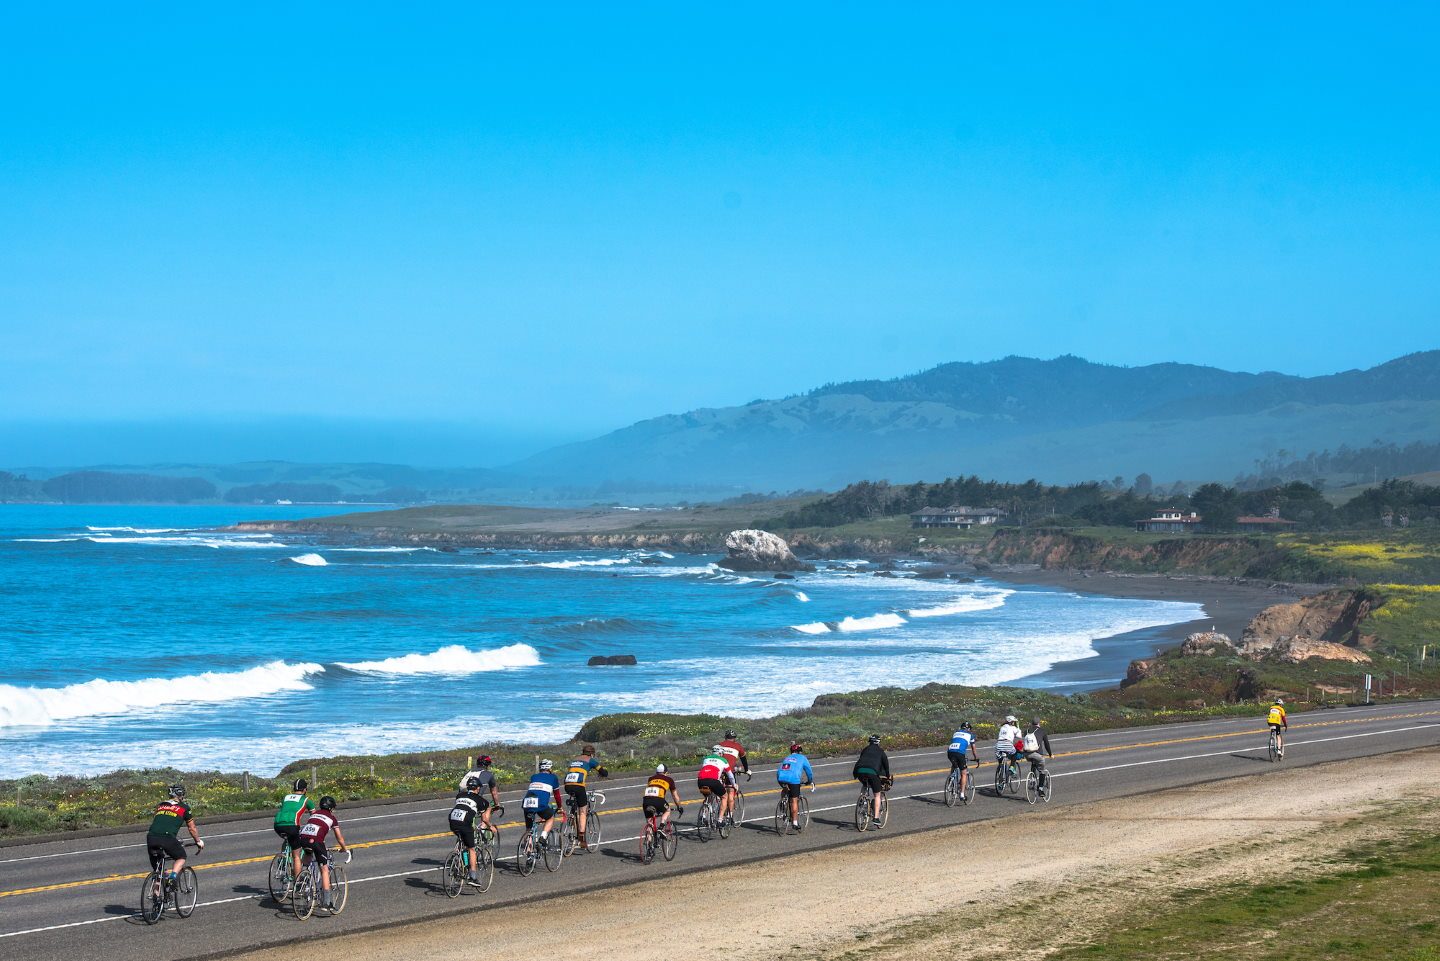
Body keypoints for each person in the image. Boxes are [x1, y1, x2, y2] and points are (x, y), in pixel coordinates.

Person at [297, 795, 348, 911]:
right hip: (316, 842)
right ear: (331, 808)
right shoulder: (332, 818)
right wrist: (344, 848)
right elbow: (339, 838)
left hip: (303, 839)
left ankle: (304, 878)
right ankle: (326, 902)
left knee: (308, 855)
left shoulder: (314, 814)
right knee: (324, 870)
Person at [146, 784, 204, 881]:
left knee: (158, 872)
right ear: (181, 795)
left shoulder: (161, 805)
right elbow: (192, 828)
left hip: (151, 837)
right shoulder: (184, 808)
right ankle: (172, 878)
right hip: (167, 837)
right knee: (181, 856)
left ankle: (155, 894)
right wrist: (198, 841)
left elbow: (159, 820)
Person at [564, 745, 609, 850]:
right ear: (592, 754)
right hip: (579, 786)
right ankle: (582, 839)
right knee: (583, 811)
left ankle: (572, 821)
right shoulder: (591, 760)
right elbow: (603, 771)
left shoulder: (575, 760)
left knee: (575, 809)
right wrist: (603, 774)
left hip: (567, 785)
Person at [273, 777, 312, 887]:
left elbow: (288, 809)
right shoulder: (306, 800)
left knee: (287, 839)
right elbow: (314, 817)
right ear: (305, 790)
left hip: (277, 825)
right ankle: (298, 882)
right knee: (296, 855)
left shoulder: (286, 797)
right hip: (292, 826)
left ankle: (283, 861)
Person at [449, 777, 486, 885]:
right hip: (465, 823)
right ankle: (473, 877)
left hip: (453, 821)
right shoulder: (480, 800)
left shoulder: (459, 795)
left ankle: (459, 858)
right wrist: (490, 826)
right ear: (477, 788)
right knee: (472, 849)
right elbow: (484, 819)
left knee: (463, 842)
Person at [522, 759, 564, 847]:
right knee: (550, 817)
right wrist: (560, 807)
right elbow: (557, 796)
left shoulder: (534, 776)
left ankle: (529, 853)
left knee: (529, 829)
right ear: (549, 768)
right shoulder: (553, 777)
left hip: (527, 802)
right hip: (540, 803)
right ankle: (543, 837)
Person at [852, 734, 891, 826]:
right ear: (878, 742)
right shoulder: (881, 751)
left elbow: (862, 759)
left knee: (865, 784)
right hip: (872, 772)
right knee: (877, 795)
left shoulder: (865, 749)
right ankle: (876, 818)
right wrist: (888, 776)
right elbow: (886, 765)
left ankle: (863, 799)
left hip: (859, 771)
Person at [776, 743, 815, 831]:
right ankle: (795, 823)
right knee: (794, 800)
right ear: (800, 752)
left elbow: (780, 769)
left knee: (785, 789)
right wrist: (810, 781)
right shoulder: (802, 758)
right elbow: (809, 771)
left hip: (780, 777)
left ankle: (783, 806)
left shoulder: (787, 757)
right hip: (794, 779)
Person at [717, 729, 751, 824]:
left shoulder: (720, 744)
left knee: (717, 791)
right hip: (729, 772)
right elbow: (744, 759)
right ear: (734, 738)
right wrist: (746, 769)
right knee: (730, 793)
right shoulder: (737, 746)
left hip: (718, 771)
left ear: (725, 737)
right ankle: (730, 816)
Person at [696, 745, 733, 823]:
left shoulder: (706, 759)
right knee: (724, 797)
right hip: (713, 781)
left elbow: (707, 769)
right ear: (720, 753)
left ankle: (704, 815)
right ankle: (720, 820)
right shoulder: (723, 760)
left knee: (708, 796)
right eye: (722, 753)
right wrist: (734, 784)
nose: (722, 755)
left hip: (700, 780)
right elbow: (730, 775)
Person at [641, 763, 684, 830]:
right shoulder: (669, 779)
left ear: (656, 772)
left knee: (650, 823)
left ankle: (648, 839)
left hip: (646, 801)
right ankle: (661, 825)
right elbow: (675, 796)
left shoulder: (650, 778)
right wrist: (679, 806)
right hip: (658, 800)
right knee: (667, 810)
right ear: (666, 772)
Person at [946, 723, 980, 799]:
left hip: (950, 752)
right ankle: (962, 794)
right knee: (964, 773)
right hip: (960, 753)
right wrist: (976, 758)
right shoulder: (970, 735)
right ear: (969, 729)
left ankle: (951, 780)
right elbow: (973, 749)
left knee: (954, 765)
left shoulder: (955, 733)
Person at [1022, 718, 1054, 793]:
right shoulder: (1042, 731)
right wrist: (1050, 754)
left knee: (1033, 762)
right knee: (1042, 770)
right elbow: (1046, 744)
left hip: (1027, 754)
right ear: (1039, 723)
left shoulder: (1026, 731)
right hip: (1037, 754)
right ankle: (1040, 788)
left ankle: (1032, 778)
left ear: (1031, 723)